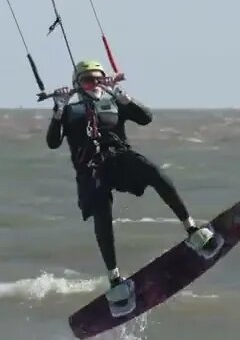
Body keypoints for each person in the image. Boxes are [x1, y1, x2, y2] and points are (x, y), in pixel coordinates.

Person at [46, 59, 221, 315]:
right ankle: (115, 278)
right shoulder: (72, 111)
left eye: (98, 79)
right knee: (101, 210)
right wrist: (58, 110)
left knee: (153, 172)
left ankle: (192, 229)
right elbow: (52, 142)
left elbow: (146, 118)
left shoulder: (114, 103)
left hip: (118, 160)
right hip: (91, 172)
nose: (94, 84)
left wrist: (125, 98)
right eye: (87, 80)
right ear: (78, 85)